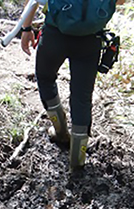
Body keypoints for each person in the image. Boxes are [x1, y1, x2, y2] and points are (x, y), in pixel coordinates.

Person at [20, 0, 123, 170]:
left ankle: (60, 132)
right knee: (82, 97)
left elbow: (34, 1)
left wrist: (26, 28)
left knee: (45, 79)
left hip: (54, 36)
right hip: (90, 41)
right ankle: (77, 161)